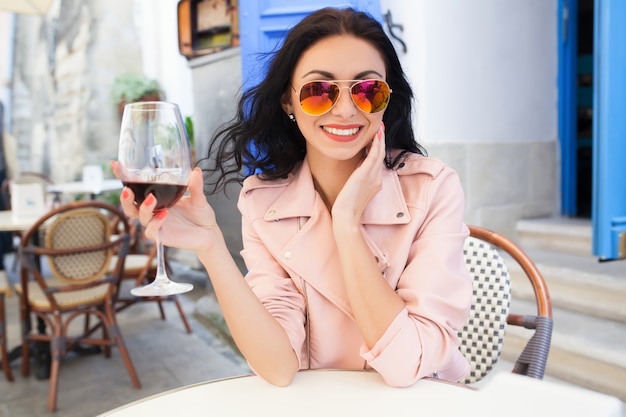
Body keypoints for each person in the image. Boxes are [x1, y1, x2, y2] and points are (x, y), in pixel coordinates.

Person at [117, 6, 472, 388]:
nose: (346, 109)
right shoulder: (262, 204)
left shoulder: (432, 188)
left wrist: (347, 225)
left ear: (387, 99)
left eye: (369, 90)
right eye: (319, 91)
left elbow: (407, 364)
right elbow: (277, 367)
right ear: (288, 101)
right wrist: (210, 246)